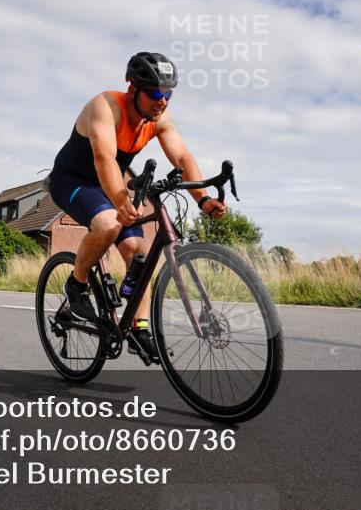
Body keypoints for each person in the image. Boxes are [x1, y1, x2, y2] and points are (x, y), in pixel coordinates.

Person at [48, 52, 228, 361]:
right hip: (72, 180)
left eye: (168, 94)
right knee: (108, 224)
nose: (163, 101)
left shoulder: (158, 120)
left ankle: (139, 327)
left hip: (111, 184)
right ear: (133, 89)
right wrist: (120, 200)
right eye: (156, 93)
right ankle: (76, 284)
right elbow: (103, 158)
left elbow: (182, 158)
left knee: (141, 254)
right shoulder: (104, 107)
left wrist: (202, 198)